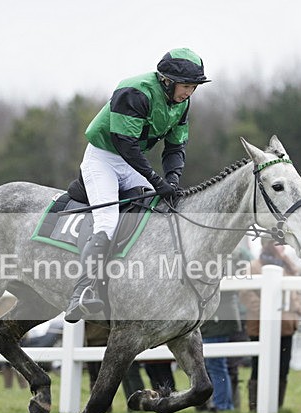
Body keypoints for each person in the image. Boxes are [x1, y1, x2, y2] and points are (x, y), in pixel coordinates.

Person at [65, 48, 211, 322]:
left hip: (130, 161)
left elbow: (175, 147)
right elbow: (126, 145)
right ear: (167, 80)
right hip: (104, 159)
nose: (189, 93)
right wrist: (157, 180)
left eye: (193, 88)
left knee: (162, 210)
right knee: (107, 221)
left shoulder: (181, 103)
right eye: (186, 86)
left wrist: (172, 180)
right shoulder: (134, 92)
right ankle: (82, 291)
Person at [241, 239, 301, 413]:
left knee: (283, 367)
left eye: (282, 243)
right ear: (268, 244)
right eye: (277, 243)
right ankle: (255, 406)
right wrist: (267, 310)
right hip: (260, 325)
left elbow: (296, 291)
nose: (281, 247)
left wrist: (297, 308)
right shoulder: (253, 266)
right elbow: (246, 294)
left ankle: (276, 406)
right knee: (259, 366)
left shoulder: (288, 266)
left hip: (286, 325)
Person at [199, 291, 244, 412]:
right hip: (216, 320)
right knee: (216, 365)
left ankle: (222, 405)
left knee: (216, 365)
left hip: (217, 321)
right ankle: (223, 404)